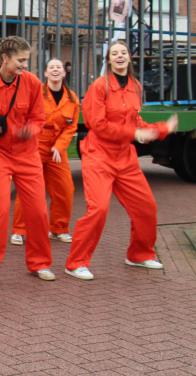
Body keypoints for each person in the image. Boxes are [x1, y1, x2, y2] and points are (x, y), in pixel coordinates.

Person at [65, 41, 177, 280]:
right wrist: (134, 134)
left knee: (146, 207)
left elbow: (135, 122)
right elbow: (98, 124)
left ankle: (139, 254)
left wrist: (161, 129)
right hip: (99, 156)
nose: (119, 56)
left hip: (125, 158)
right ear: (108, 60)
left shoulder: (135, 86)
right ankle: (76, 263)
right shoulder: (99, 86)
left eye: (123, 53)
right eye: (114, 53)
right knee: (99, 210)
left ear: (129, 58)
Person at [0, 36, 55, 285]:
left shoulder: (32, 83)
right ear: (5, 58)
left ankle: (40, 263)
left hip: (26, 154)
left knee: (38, 210)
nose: (24, 65)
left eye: (26, 61)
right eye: (20, 60)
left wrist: (32, 130)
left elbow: (39, 118)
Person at [11, 59, 79, 246]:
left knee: (66, 189)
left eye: (59, 67)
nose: (56, 70)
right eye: (51, 68)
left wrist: (60, 146)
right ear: (46, 74)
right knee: (29, 189)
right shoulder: (35, 94)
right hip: (35, 147)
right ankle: (19, 229)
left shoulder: (72, 98)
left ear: (64, 74)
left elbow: (71, 126)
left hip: (58, 149)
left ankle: (59, 228)